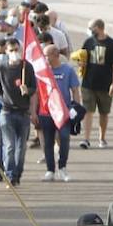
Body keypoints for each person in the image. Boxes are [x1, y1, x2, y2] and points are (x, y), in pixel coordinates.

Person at [0, 41, 38, 186]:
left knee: (21, 147)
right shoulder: (1, 68)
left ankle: (18, 172)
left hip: (23, 113)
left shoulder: (27, 67)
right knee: (10, 145)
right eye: (11, 50)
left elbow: (34, 88)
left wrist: (27, 90)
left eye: (17, 49)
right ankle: (10, 174)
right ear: (6, 51)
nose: (14, 52)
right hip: (7, 112)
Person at [79, 18, 113, 148]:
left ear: (99, 28)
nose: (90, 31)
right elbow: (83, 56)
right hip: (88, 83)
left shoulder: (112, 44)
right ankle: (86, 139)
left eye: (91, 28)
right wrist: (80, 63)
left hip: (105, 84)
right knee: (88, 111)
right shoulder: (88, 42)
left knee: (104, 112)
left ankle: (102, 138)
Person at [39, 45, 77, 182]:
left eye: (47, 55)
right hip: (46, 112)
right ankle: (50, 170)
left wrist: (76, 108)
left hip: (63, 111)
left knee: (65, 137)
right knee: (48, 141)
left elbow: (75, 90)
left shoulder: (68, 70)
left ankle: (62, 167)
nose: (45, 58)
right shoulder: (42, 72)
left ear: (55, 55)